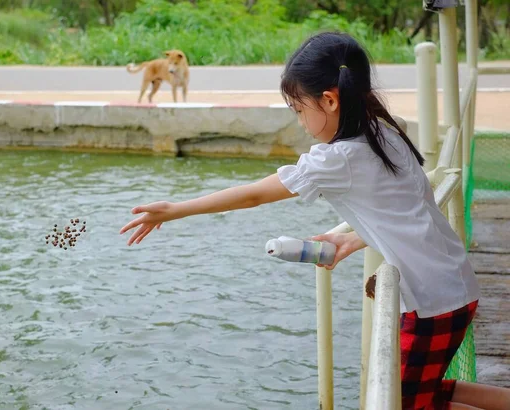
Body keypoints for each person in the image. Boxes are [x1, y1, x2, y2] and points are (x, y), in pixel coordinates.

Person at [119, 32, 510, 410]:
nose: (300, 121)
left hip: (432, 302)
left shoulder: (337, 158)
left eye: (299, 108)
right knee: (423, 391)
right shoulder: (382, 129)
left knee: (404, 403)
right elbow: (403, 208)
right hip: (452, 283)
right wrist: (355, 239)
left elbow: (256, 193)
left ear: (329, 100)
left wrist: (176, 209)